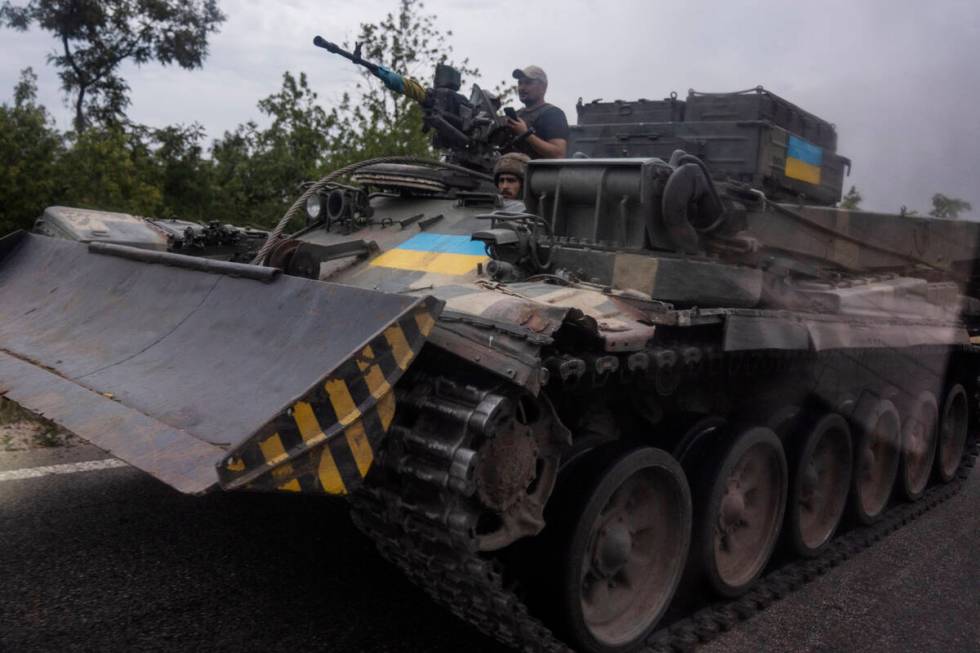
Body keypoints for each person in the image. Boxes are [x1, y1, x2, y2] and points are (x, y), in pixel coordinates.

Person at [506, 65, 569, 159]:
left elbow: (558, 154)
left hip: (538, 172)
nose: (522, 88)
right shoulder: (517, 115)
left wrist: (525, 133)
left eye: (528, 83)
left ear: (543, 87)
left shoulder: (553, 114)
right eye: (520, 83)